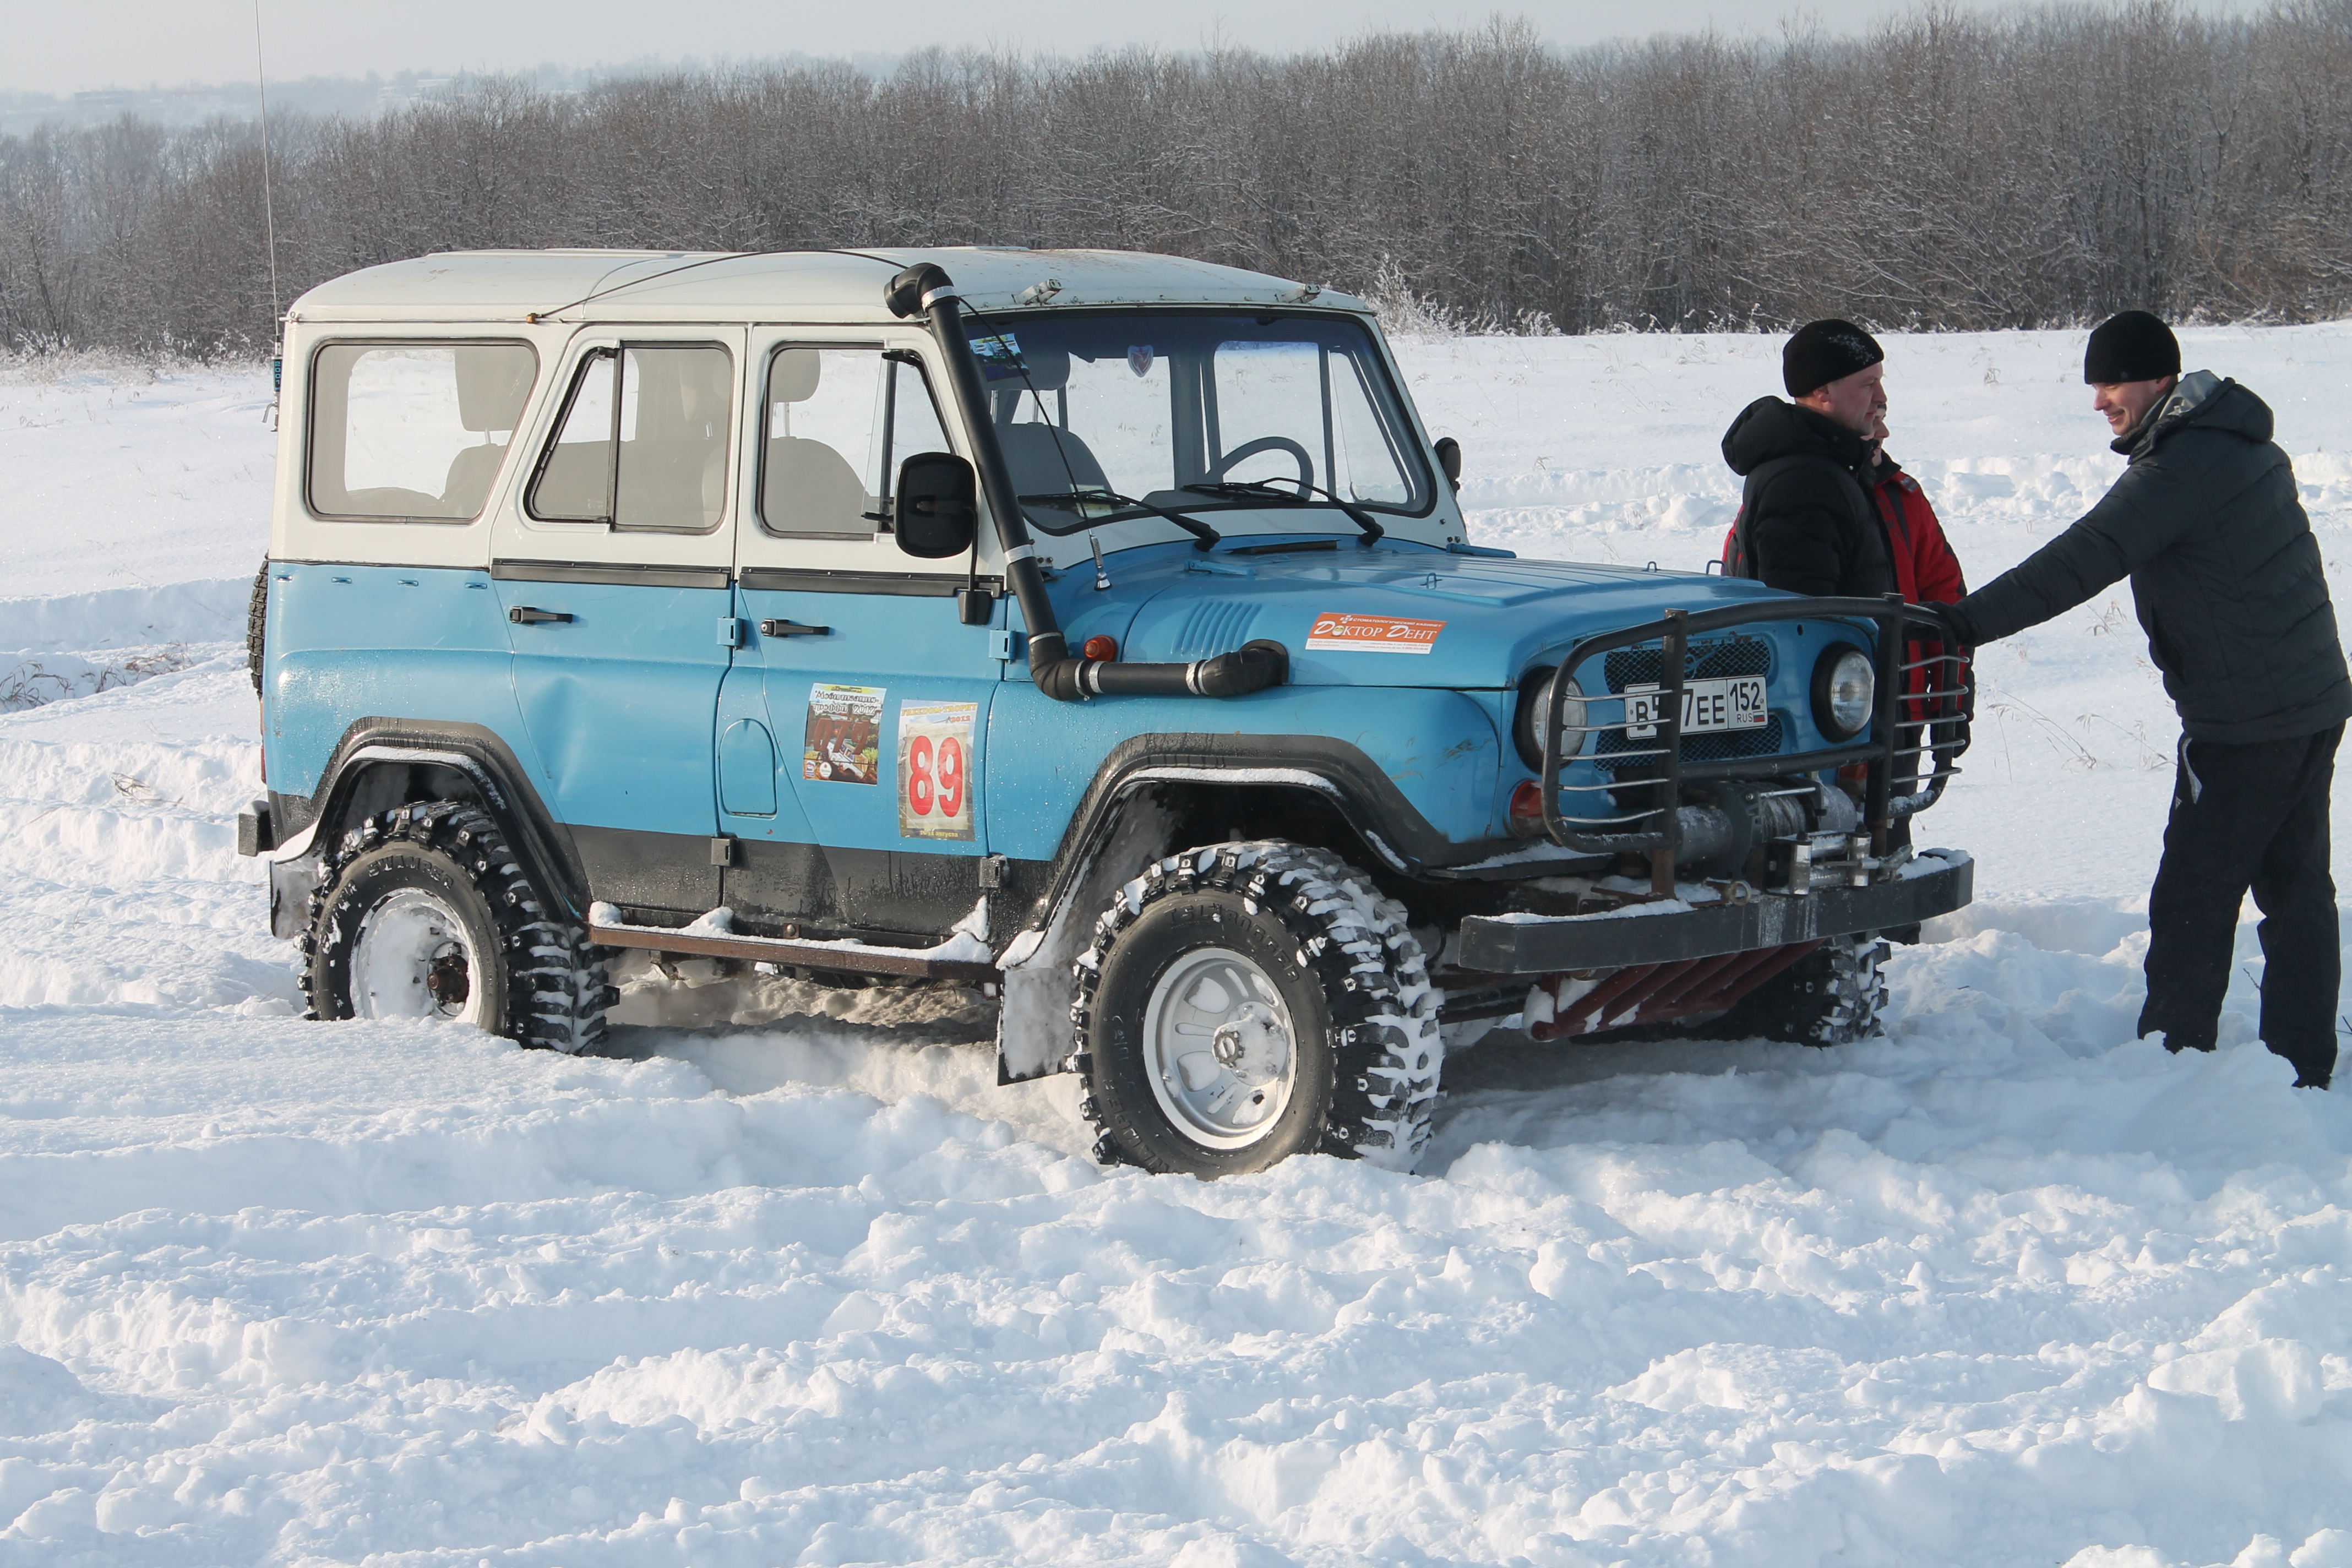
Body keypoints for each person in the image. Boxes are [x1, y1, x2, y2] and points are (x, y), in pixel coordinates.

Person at [1941, 311, 2350, 1089]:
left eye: (2114, 383)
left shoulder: (2180, 469)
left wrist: (1961, 624)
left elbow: (2082, 558)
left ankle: (2174, 1064)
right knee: (2297, 890)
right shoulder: (2239, 442)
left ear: (2161, 379)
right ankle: (2302, 1066)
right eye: (2096, 384)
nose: (2100, 400)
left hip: (2245, 723)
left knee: (2195, 893)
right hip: (2310, 701)